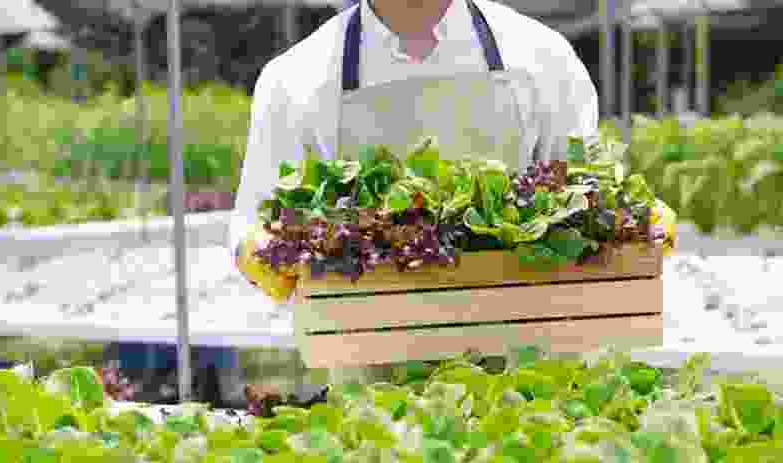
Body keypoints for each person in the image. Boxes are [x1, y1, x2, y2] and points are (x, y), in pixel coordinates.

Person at [231, 0, 599, 384]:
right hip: (372, 399)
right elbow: (255, 220)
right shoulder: (294, 78)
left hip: (527, 379)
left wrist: (629, 216)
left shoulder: (544, 57)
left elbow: (585, 191)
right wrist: (257, 248)